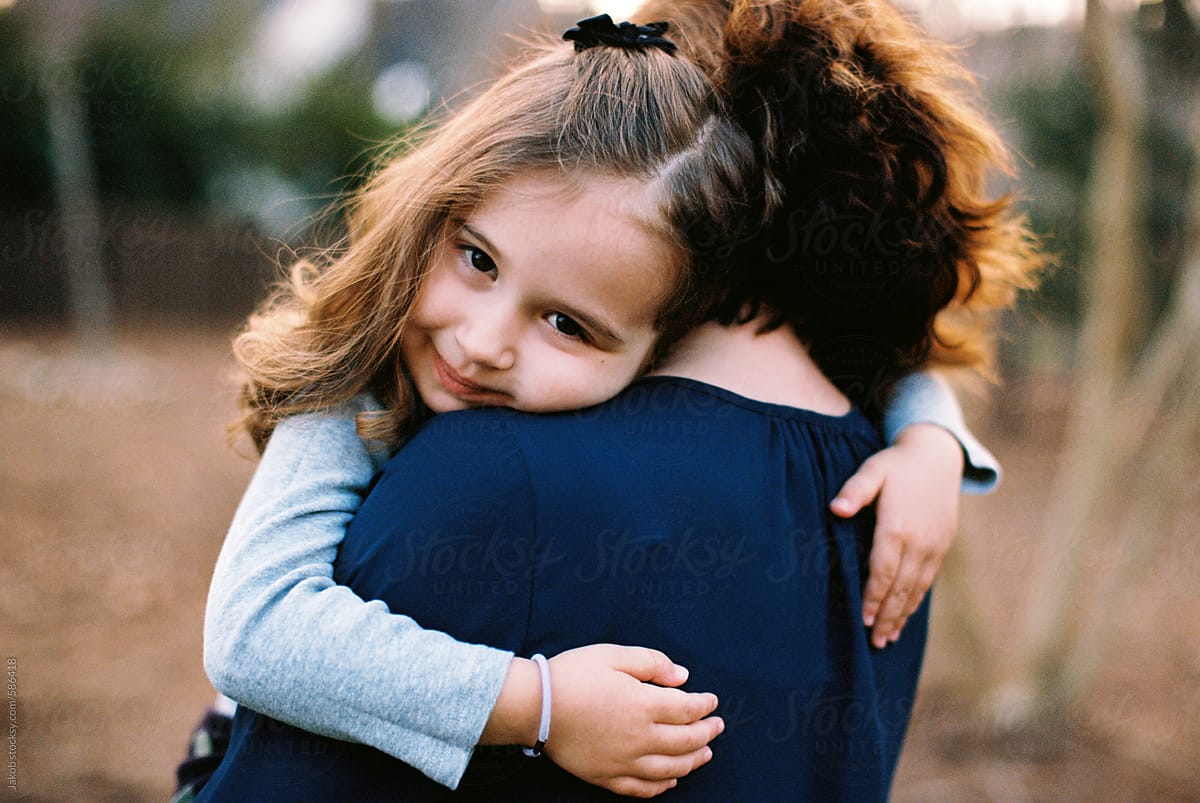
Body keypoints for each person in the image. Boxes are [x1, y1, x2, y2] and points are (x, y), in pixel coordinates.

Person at [184, 4, 1027, 799]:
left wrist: (930, 440)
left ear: (670, 339)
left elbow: (866, 353)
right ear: (435, 208)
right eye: (477, 259)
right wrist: (538, 702)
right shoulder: (350, 389)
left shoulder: (648, 324)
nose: (481, 342)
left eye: (565, 323)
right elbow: (255, 631)